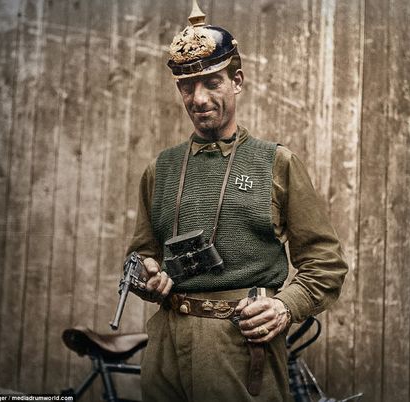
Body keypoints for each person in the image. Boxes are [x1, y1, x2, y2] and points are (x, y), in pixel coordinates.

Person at [126, 2, 348, 401]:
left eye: (212, 82)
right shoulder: (160, 169)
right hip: (164, 351)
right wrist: (146, 275)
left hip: (242, 347)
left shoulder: (276, 164)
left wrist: (284, 307)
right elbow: (141, 255)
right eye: (187, 86)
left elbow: (326, 264)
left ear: (237, 81)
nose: (199, 98)